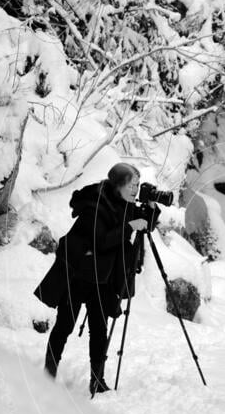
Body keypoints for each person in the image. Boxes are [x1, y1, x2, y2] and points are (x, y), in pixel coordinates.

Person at [34, 163, 149, 396]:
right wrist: (129, 227)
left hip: (102, 279)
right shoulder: (95, 204)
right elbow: (102, 240)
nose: (136, 189)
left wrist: (151, 209)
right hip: (78, 275)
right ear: (119, 185)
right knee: (64, 326)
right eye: (132, 184)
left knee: (99, 329)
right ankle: (48, 375)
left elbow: (146, 224)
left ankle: (97, 380)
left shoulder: (124, 204)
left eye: (138, 184)